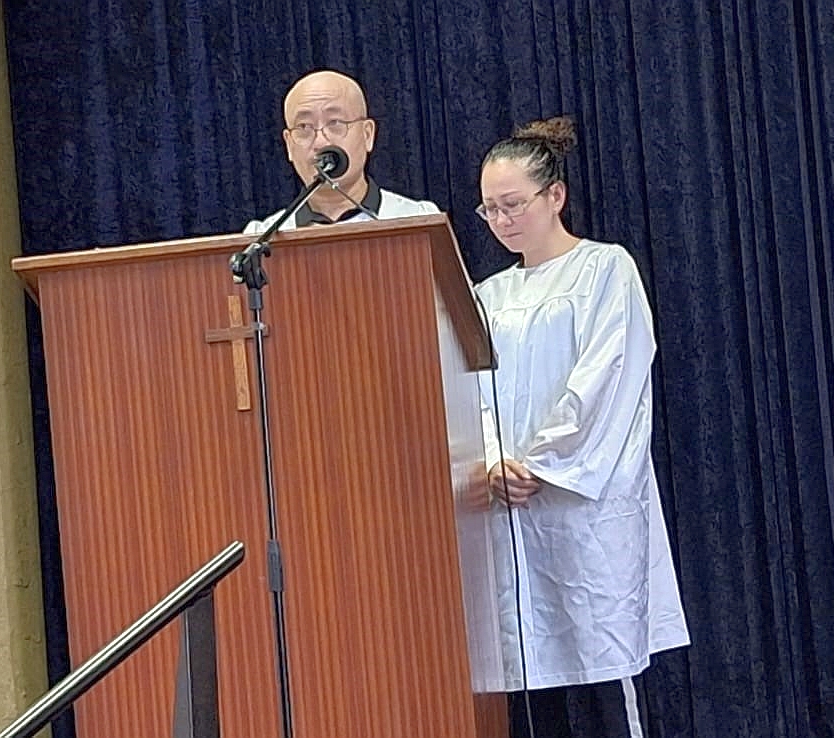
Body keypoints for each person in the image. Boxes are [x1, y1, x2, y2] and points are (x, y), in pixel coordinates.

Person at [473, 116, 690, 738]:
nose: (502, 221)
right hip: (509, 508)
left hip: (581, 507)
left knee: (598, 668)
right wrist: (492, 460)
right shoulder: (486, 295)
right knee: (527, 672)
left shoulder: (604, 270)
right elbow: (468, 390)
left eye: (513, 204)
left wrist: (541, 463)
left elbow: (607, 377)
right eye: (490, 209)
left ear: (555, 196)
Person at [244, 70, 439, 234]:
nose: (320, 142)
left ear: (367, 135)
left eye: (335, 123)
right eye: (304, 126)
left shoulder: (419, 221)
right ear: (288, 144)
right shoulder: (262, 238)